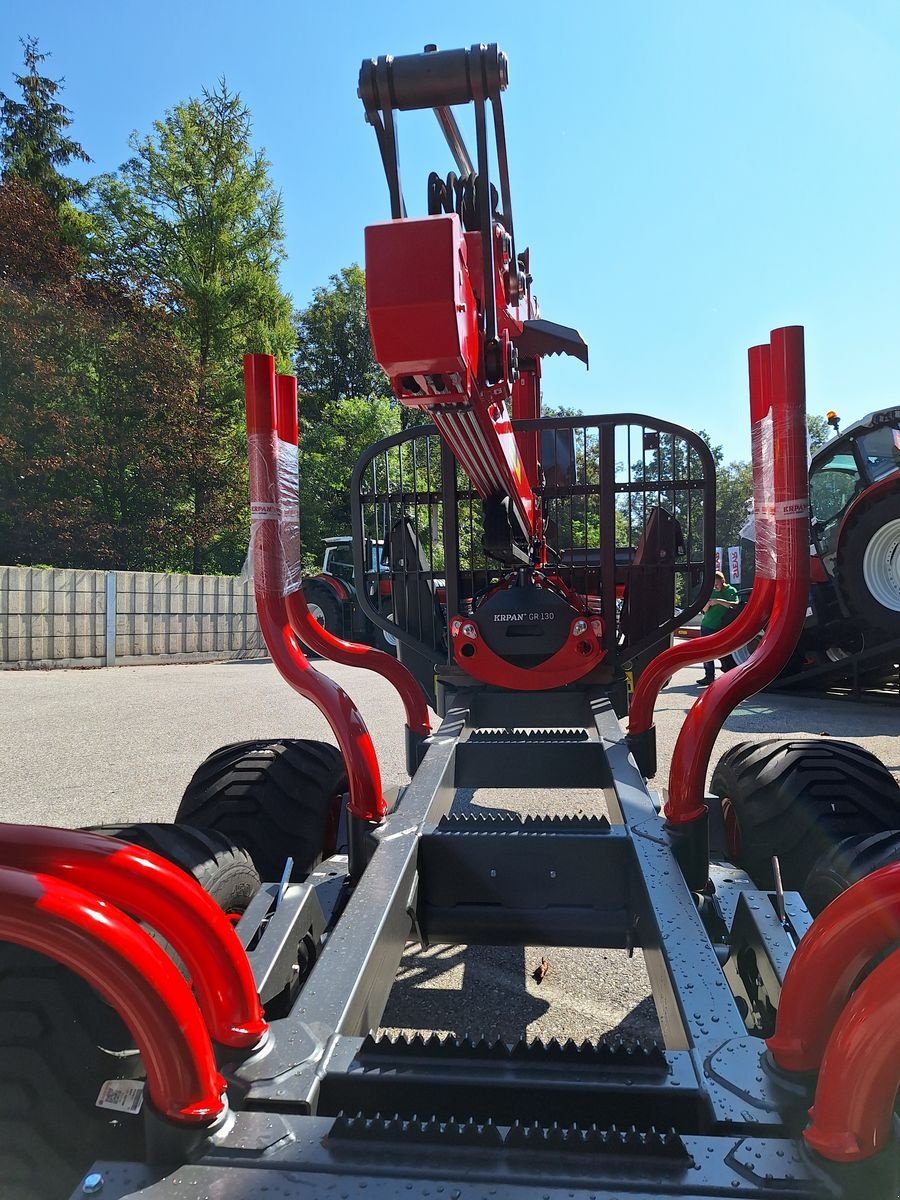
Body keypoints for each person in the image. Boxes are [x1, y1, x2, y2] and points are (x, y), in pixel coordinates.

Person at [696, 571, 739, 686]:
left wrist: (718, 601)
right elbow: (704, 611)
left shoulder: (730, 590)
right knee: (706, 652)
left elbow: (734, 605)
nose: (716, 587)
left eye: (717, 584)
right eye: (714, 585)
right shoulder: (711, 591)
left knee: (724, 651)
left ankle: (729, 673)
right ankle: (709, 675)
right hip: (707, 625)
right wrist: (708, 604)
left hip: (722, 626)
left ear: (723, 581)